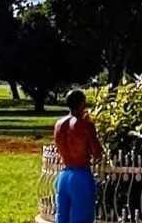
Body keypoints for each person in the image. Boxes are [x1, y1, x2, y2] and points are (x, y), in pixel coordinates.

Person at [53, 88, 104, 223]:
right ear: (82, 104)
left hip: (64, 176)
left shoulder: (58, 125)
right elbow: (97, 153)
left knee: (62, 218)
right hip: (81, 175)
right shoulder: (85, 125)